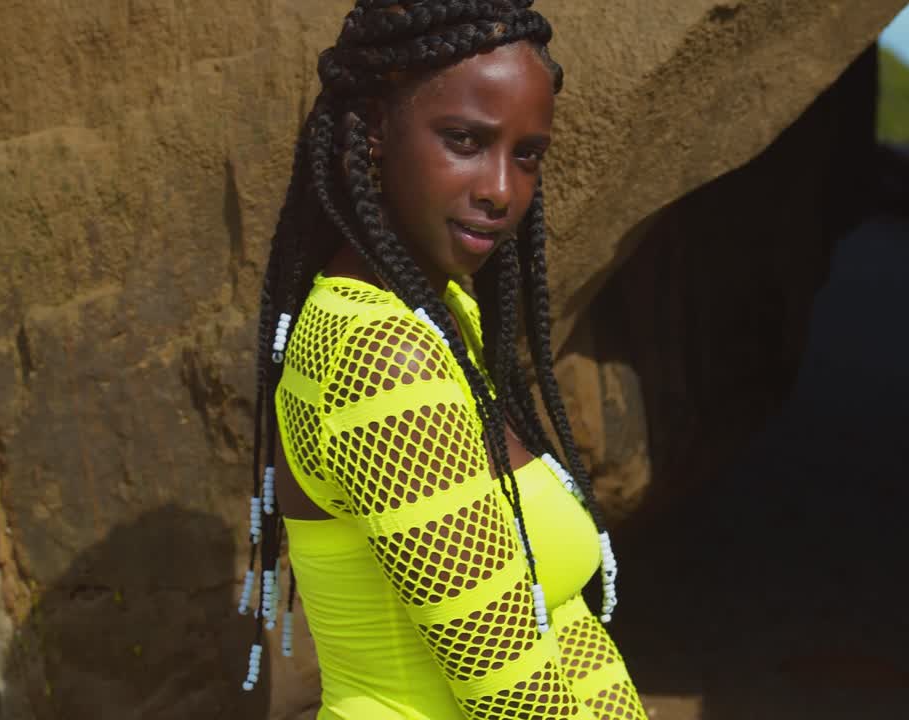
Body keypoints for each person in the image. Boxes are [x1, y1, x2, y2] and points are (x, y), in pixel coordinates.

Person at [237, 2, 646, 717]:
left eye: (526, 155)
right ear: (372, 132)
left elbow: (551, 629)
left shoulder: (437, 313)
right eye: (464, 140)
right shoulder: (380, 361)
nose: (500, 190)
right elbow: (515, 700)